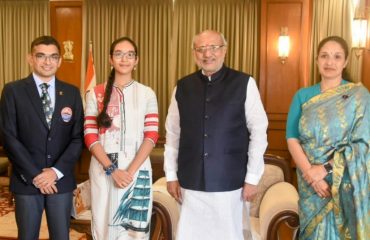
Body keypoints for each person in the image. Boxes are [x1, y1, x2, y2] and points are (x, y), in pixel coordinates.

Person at [164, 30, 268, 239]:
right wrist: (171, 175)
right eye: (201, 49)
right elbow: (173, 133)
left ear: (224, 50)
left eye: (213, 47)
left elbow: (258, 131)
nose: (207, 54)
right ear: (194, 54)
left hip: (229, 183)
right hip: (190, 182)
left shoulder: (245, 83)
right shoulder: (182, 87)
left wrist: (252, 178)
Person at [0, 35, 84, 240]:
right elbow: (8, 136)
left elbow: (77, 138)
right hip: (26, 180)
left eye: (53, 57)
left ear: (60, 61)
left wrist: (55, 172)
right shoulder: (13, 91)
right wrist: (36, 175)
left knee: (61, 236)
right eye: (41, 56)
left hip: (60, 181)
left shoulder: (72, 93)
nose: (48, 62)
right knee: (27, 236)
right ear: (30, 58)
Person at [286, 36, 369, 239]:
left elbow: (364, 144)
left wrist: (324, 169)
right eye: (324, 56)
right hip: (310, 185)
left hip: (346, 183)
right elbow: (292, 138)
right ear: (316, 60)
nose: (329, 62)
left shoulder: (359, 96)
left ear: (346, 62)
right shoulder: (303, 96)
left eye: (336, 56)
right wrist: (311, 175)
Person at [84, 37, 159, 240]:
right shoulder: (95, 93)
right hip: (104, 169)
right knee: (104, 226)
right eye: (118, 54)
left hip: (137, 168)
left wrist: (129, 172)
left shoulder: (147, 94)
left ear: (137, 60)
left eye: (130, 54)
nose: (124, 59)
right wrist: (112, 170)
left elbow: (151, 135)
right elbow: (90, 135)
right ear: (110, 59)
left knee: (134, 229)